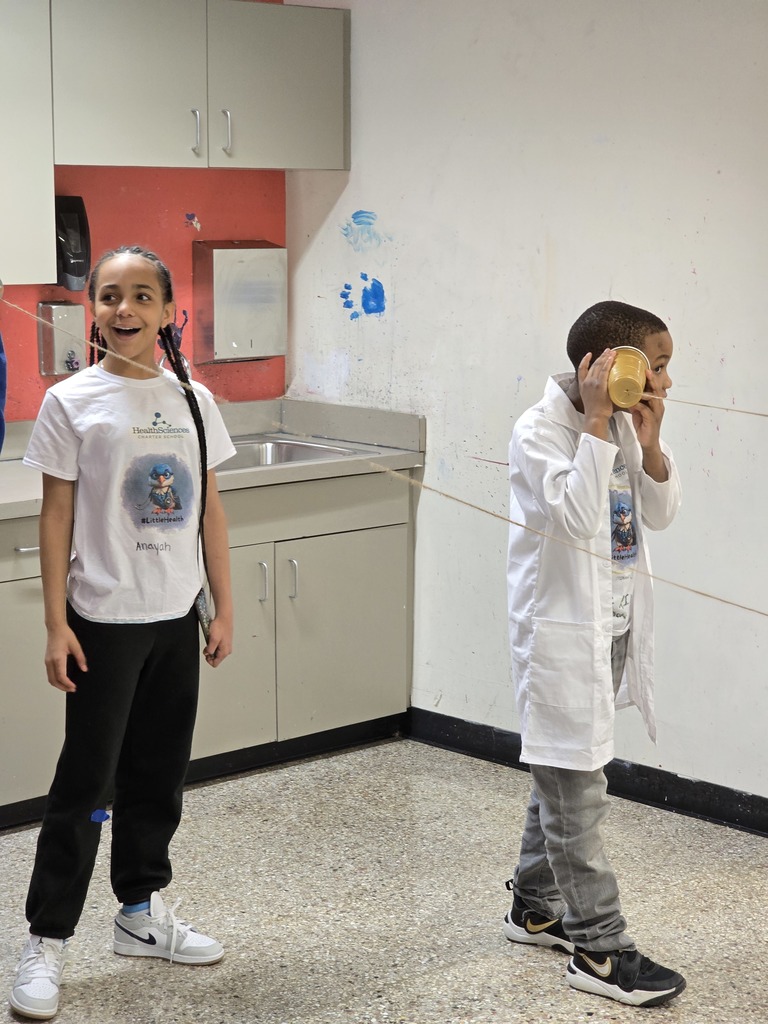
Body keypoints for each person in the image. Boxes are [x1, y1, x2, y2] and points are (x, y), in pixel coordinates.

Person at [10, 246, 236, 1021]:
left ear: (169, 310)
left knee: (158, 777)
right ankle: (45, 940)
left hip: (175, 616)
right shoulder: (72, 401)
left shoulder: (194, 401)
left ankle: (140, 912)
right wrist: (52, 624)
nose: (125, 310)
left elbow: (210, 509)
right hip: (101, 621)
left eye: (143, 296)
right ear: (92, 311)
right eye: (110, 297)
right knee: (85, 785)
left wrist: (222, 604)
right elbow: (56, 515)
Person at [502, 300, 686, 1008]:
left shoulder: (625, 425)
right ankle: (600, 950)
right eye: (658, 368)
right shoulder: (540, 430)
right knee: (577, 794)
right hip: (559, 637)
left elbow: (660, 513)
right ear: (608, 368)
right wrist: (590, 426)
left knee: (562, 767)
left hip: (609, 631)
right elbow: (576, 518)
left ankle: (532, 904)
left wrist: (652, 440)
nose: (666, 383)